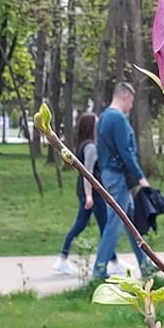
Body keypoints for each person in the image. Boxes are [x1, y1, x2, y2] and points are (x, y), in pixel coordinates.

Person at [92, 80, 151, 282]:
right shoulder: (117, 119)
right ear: (126, 96)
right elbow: (125, 151)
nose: (131, 106)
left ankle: (145, 264)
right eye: (131, 101)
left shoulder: (103, 118)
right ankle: (99, 269)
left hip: (110, 174)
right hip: (118, 176)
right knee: (115, 222)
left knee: (130, 220)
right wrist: (140, 176)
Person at [54, 112, 108, 275]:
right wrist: (89, 195)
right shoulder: (90, 147)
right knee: (102, 226)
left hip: (88, 191)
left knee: (91, 225)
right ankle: (63, 259)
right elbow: (88, 173)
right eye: (97, 124)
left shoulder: (84, 144)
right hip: (92, 192)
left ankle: (113, 260)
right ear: (91, 127)